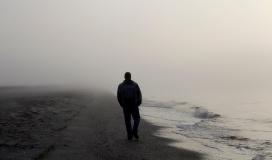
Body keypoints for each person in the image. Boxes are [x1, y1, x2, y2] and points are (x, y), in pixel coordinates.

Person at [117, 72, 142, 140]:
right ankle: (134, 131)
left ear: (124, 77)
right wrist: (138, 102)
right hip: (134, 104)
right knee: (137, 119)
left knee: (127, 120)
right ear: (130, 77)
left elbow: (118, 96)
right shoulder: (135, 85)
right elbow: (139, 94)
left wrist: (121, 104)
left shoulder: (121, 85)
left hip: (125, 105)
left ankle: (129, 135)